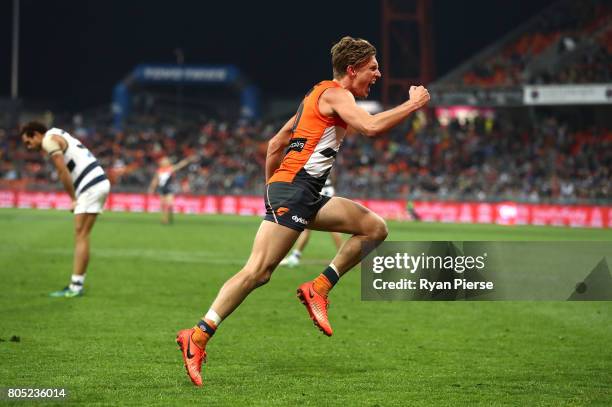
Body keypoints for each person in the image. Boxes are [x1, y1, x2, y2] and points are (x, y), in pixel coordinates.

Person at [176, 36, 430, 386]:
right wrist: (414, 104)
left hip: (301, 191)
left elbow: (276, 144)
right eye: (373, 68)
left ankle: (319, 287)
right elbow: (370, 127)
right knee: (258, 272)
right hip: (295, 191)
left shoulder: (315, 96)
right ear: (352, 70)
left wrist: (270, 188)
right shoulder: (336, 94)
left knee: (374, 228)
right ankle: (198, 336)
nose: (379, 73)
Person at [20, 122, 111, 298]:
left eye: (28, 142)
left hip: (89, 185)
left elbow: (62, 171)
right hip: (99, 180)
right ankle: (76, 284)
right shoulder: (57, 133)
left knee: (81, 234)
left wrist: (73, 199)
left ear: (36, 134)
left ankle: (75, 287)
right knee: (82, 233)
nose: (28, 147)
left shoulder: (48, 141)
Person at [279, 177, 343, 267]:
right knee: (307, 225)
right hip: (324, 189)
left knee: (308, 224)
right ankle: (295, 256)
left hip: (318, 190)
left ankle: (295, 256)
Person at [148, 156, 193, 224]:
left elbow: (179, 165)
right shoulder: (159, 171)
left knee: (169, 204)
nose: (163, 162)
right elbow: (155, 180)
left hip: (169, 188)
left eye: (165, 161)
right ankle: (164, 218)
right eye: (162, 161)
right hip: (161, 189)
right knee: (162, 204)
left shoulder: (170, 169)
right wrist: (151, 188)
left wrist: (187, 160)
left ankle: (167, 216)